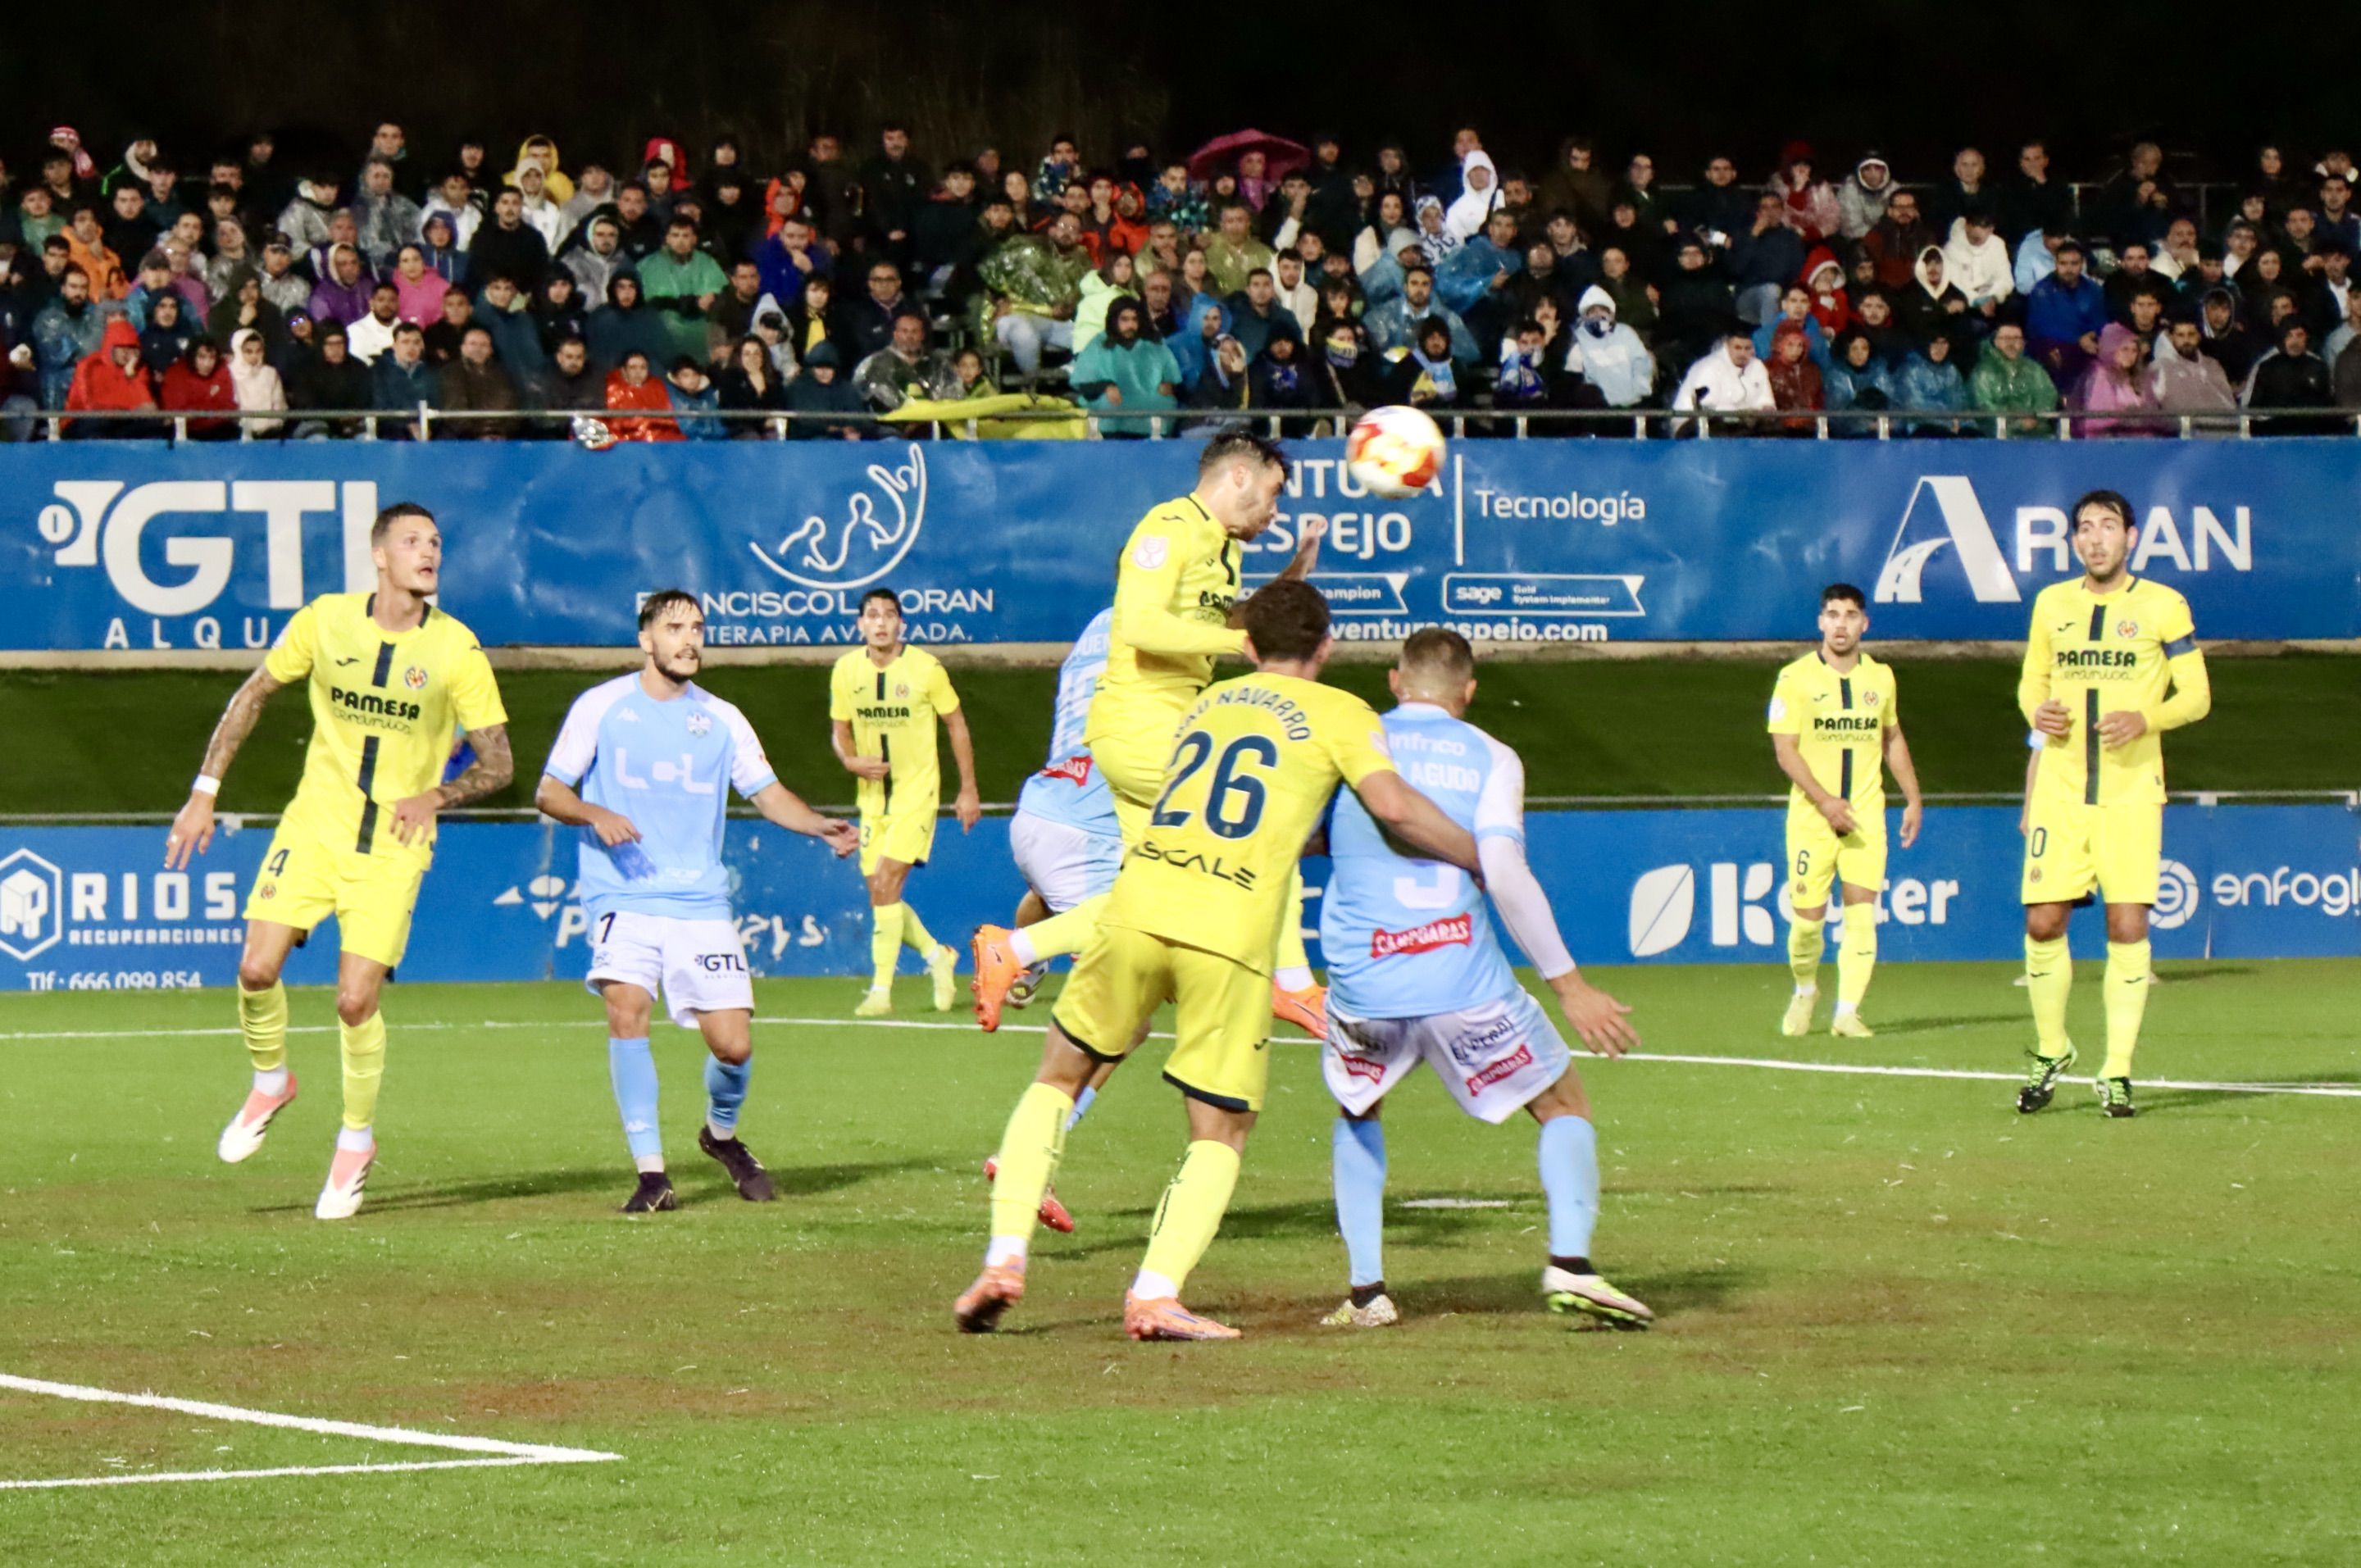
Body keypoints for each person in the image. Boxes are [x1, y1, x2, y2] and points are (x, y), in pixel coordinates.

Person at [956, 580, 1479, 1341]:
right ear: (1326, 648)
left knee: (1059, 1077)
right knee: (1219, 1130)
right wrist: (1478, 854)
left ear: (1248, 647)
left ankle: (1004, 1258)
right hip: (1226, 932)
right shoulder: (1343, 712)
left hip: (1135, 904)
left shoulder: (1206, 705)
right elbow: (1391, 808)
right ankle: (1155, 1293)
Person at [166, 503, 512, 1219]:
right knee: (256, 967)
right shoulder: (326, 619)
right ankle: (270, 1081)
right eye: (414, 541)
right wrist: (203, 792)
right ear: (379, 555)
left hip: (393, 847)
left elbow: (500, 763)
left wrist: (437, 794)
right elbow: (254, 693)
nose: (430, 553)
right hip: (316, 825)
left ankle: (355, 1141)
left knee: (355, 999)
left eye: (437, 543)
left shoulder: (457, 649)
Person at [1318, 629, 1648, 1330]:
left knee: (1358, 1108)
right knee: (1563, 1101)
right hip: (1460, 978)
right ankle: (1572, 1265)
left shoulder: (1351, 739)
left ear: (1394, 681)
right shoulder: (1493, 756)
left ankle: (1365, 1292)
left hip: (1362, 983)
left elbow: (1307, 834)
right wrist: (1570, 987)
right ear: (1468, 692)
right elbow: (1503, 873)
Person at [535, 592, 856, 1211]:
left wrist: (819, 824)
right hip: (622, 893)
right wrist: (594, 812)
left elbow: (767, 793)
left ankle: (721, 1136)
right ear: (645, 640)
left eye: (698, 628)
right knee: (627, 1009)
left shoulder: (724, 719)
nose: (689, 639)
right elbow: (550, 790)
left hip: (699, 901)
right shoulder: (600, 707)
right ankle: (652, 1176)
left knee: (733, 1046)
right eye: (674, 627)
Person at [1072, 432, 1331, 1038]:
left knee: (1146, 907)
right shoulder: (1169, 526)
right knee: (1265, 820)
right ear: (1239, 476)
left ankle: (1017, 952)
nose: (1274, 510)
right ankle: (1294, 985)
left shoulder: (1223, 548)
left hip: (1161, 728)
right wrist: (1234, 642)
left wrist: (1296, 571)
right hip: (1144, 725)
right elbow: (1138, 623)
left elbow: (1234, 621)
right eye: (1272, 493)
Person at [2016, 492, 2209, 1119]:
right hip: (2060, 792)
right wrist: (2035, 713)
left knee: (2127, 927)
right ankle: (2052, 1050)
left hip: (2129, 793)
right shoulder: (2052, 604)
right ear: (2074, 542)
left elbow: (2198, 695)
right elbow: (2031, 681)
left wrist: (2145, 717)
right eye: (2084, 529)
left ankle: (2118, 1071)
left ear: (2131, 535)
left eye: (2107, 527)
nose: (2095, 539)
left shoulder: (2163, 605)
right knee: (2043, 922)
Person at [1767, 585, 1923, 1038]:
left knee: (1860, 915)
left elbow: (1891, 738)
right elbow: (1784, 750)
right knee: (1806, 926)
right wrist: (1824, 801)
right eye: (1832, 615)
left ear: (1864, 624)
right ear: (1820, 622)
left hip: (1865, 817)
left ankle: (1847, 1012)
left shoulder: (1881, 677)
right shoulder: (1794, 679)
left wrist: (1912, 797)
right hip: (1813, 820)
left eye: (1850, 615)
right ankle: (1805, 990)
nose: (1841, 624)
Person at [829, 589, 981, 1017]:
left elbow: (956, 724)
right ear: (860, 624)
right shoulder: (845, 671)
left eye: (889, 615)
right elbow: (839, 728)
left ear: (901, 624)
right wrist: (850, 760)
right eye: (872, 616)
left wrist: (967, 788)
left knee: (886, 880)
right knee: (880, 892)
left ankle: (880, 990)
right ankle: (938, 957)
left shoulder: (926, 669)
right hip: (873, 799)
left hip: (917, 793)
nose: (880, 623)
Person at [1969, 321, 2061, 436]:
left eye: (2017, 339)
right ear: (1996, 342)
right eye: (2006, 339)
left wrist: (2035, 418)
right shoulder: (1983, 372)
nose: (2012, 344)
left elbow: (2047, 394)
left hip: (2036, 433)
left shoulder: (2034, 369)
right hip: (1996, 436)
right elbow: (1983, 405)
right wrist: (2015, 422)